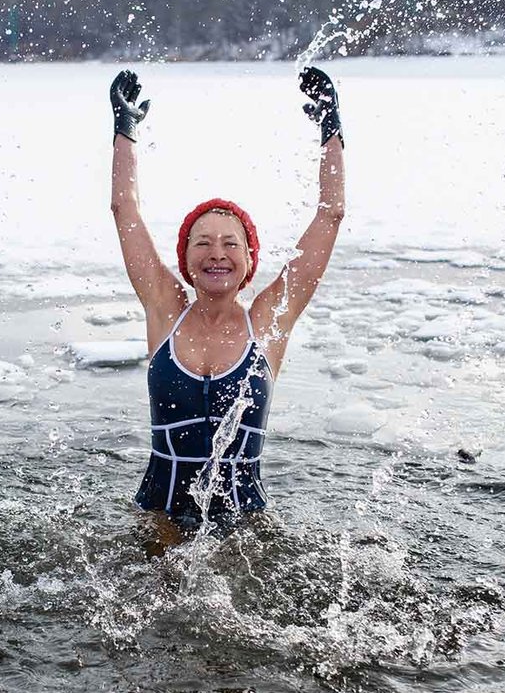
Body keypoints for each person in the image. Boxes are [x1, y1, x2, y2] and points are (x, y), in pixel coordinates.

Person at [108, 66, 346, 534]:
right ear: (186, 257)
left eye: (230, 243)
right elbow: (125, 210)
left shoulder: (270, 320)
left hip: (245, 526)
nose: (216, 253)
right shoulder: (165, 309)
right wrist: (125, 131)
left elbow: (330, 215)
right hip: (159, 520)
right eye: (203, 242)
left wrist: (331, 130)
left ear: (248, 257)